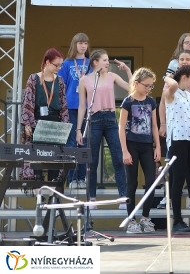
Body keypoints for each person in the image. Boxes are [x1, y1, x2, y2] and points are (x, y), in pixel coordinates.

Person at [76, 49, 132, 207]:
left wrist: (127, 70)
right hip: (93, 119)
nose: (108, 63)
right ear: (95, 62)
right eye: (105, 60)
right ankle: (92, 198)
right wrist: (78, 130)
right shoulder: (85, 80)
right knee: (91, 162)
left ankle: (122, 197)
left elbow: (131, 88)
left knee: (117, 159)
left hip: (110, 119)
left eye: (108, 60)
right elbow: (82, 106)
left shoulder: (112, 76)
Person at [162, 65, 190, 232]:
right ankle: (177, 220)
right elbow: (172, 85)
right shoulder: (171, 93)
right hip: (178, 139)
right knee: (178, 179)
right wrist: (166, 76)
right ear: (184, 78)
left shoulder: (189, 95)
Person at [119, 67, 160, 234]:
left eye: (151, 86)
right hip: (131, 144)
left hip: (146, 146)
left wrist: (157, 146)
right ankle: (131, 220)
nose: (149, 89)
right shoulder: (128, 102)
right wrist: (124, 151)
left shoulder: (150, 102)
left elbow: (155, 126)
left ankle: (145, 217)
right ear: (136, 83)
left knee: (151, 182)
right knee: (132, 183)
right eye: (147, 85)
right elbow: (121, 128)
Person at [21, 49, 69, 180]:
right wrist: (27, 124)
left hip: (55, 122)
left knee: (54, 160)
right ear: (47, 62)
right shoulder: (33, 78)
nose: (59, 68)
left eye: (61, 65)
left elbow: (64, 104)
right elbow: (27, 102)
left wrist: (65, 126)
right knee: (37, 160)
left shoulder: (59, 81)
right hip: (37, 121)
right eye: (56, 65)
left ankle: (54, 198)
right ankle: (39, 196)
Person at [59, 32, 90, 188]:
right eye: (80, 43)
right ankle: (71, 179)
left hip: (87, 108)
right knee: (71, 143)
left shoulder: (91, 63)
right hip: (70, 106)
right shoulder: (66, 63)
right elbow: (60, 85)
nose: (83, 45)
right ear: (74, 44)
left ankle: (82, 178)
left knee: (83, 142)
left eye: (85, 43)